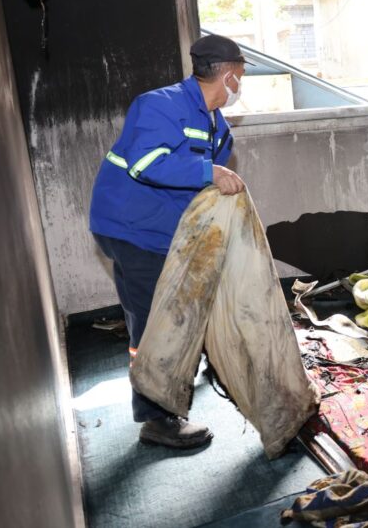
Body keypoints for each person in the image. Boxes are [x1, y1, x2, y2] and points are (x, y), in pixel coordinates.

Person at [89, 34, 250, 447]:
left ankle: (181, 374)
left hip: (166, 229)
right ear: (229, 74)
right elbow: (146, 164)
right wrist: (210, 173)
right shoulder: (159, 105)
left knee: (191, 303)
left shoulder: (217, 124)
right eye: (242, 74)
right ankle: (156, 418)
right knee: (152, 318)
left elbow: (204, 181)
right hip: (130, 227)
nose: (241, 83)